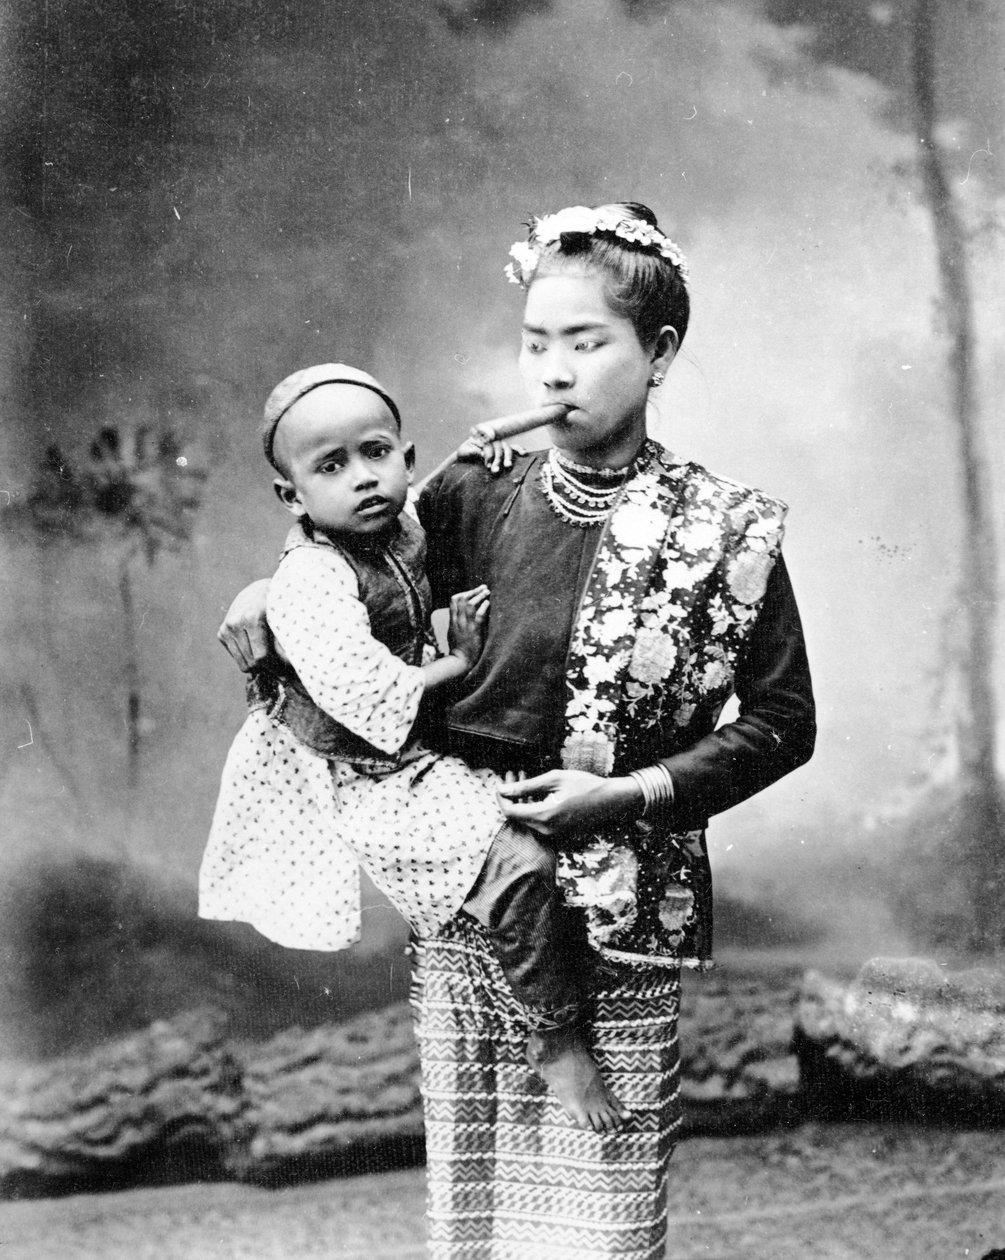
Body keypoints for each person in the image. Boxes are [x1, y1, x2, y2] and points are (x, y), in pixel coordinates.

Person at [219, 203, 816, 1260]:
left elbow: (782, 723)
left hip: (626, 889)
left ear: (660, 352)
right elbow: (360, 570)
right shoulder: (471, 493)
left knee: (607, 1215)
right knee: (481, 1211)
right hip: (473, 886)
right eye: (536, 344)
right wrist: (270, 586)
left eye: (585, 344)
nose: (552, 374)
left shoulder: (727, 531)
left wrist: (624, 795)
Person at [201, 362, 627, 1131]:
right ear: (291, 496)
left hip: (413, 749)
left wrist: (480, 461)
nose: (363, 479)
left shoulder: (399, 522)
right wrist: (456, 664)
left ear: (402, 454)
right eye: (330, 467)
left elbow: (435, 491)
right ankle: (555, 1038)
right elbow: (362, 696)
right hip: (357, 771)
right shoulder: (310, 580)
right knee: (520, 865)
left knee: (569, 820)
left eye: (375, 452)